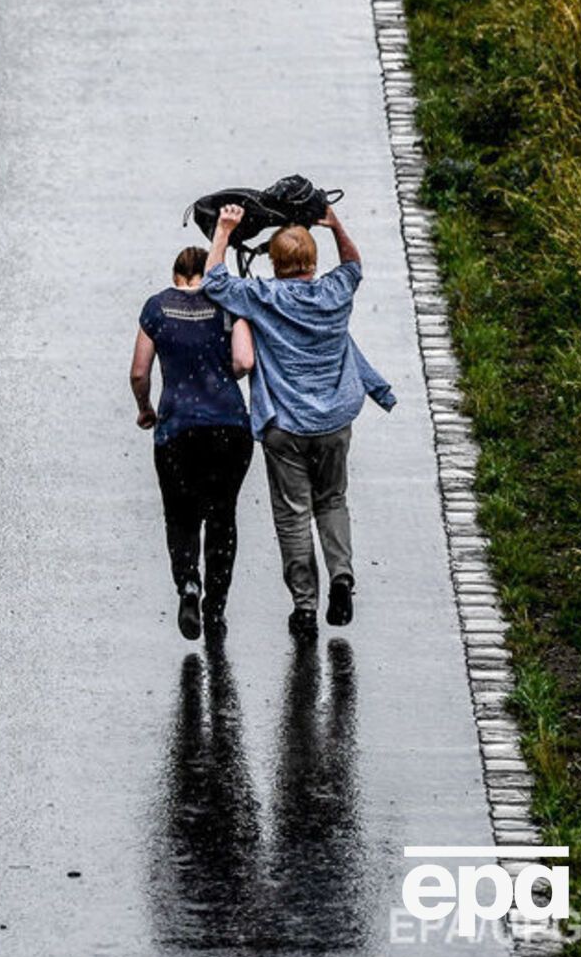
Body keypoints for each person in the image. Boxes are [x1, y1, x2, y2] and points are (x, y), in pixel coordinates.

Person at [202, 204, 395, 643]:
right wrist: (334, 225)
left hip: (285, 425)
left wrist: (224, 231)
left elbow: (215, 281)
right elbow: (353, 265)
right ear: (312, 262)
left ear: (275, 262)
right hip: (333, 421)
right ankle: (342, 577)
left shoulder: (262, 297)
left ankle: (304, 607)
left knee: (292, 516)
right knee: (332, 501)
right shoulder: (335, 293)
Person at [131, 246, 256, 642]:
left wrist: (145, 409)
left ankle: (188, 583)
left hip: (176, 431)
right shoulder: (228, 304)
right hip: (229, 428)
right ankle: (215, 608)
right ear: (207, 272)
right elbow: (242, 363)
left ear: (176, 274)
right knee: (222, 517)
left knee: (181, 515)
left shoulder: (156, 308)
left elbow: (138, 372)